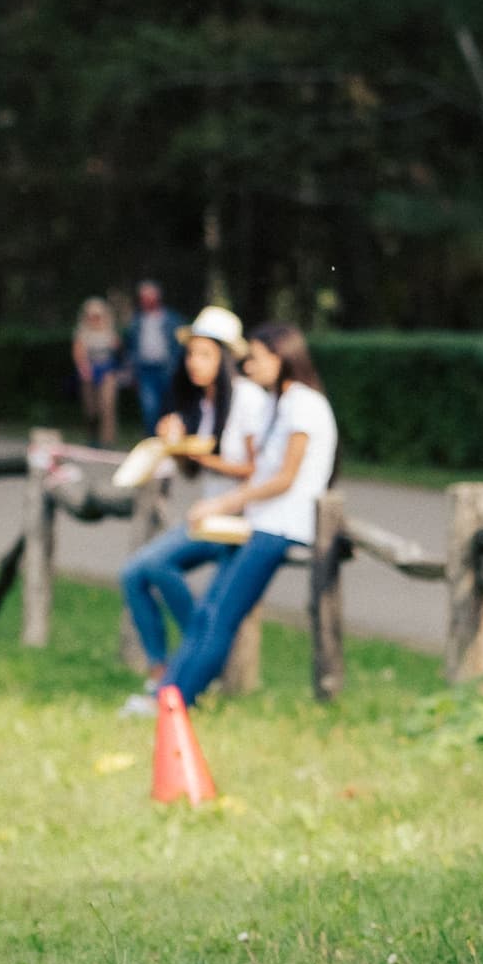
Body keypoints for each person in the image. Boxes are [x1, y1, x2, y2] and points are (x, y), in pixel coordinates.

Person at [159, 322, 334, 707]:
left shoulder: (303, 404)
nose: (248, 366)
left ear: (280, 356)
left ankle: (178, 700)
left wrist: (223, 503)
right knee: (208, 611)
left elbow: (285, 478)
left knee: (220, 614)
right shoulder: (281, 402)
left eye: (255, 358)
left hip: (280, 527)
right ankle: (166, 694)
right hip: (261, 523)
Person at [116, 304, 264, 711]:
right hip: (209, 515)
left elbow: (257, 470)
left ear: (225, 357)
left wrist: (201, 458)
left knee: (158, 566)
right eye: (191, 354)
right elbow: (193, 468)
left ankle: (198, 655)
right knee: (132, 573)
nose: (195, 363)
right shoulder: (203, 403)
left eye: (205, 354)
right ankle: (162, 669)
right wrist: (174, 444)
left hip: (238, 520)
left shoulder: (249, 400)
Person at [126, 280, 182, 432]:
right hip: (145, 370)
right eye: (143, 297)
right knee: (149, 408)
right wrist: (132, 371)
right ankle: (151, 441)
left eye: (149, 297)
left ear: (157, 298)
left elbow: (179, 345)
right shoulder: (136, 321)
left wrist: (177, 367)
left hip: (167, 368)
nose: (145, 301)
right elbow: (131, 348)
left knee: (170, 407)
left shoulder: (172, 319)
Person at [71, 294, 124, 445]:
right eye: (92, 316)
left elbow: (119, 351)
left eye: (98, 315)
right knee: (91, 408)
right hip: (89, 371)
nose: (95, 318)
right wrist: (84, 368)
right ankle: (92, 437)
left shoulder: (110, 331)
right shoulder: (82, 332)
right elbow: (78, 352)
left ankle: (107, 440)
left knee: (107, 407)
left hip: (108, 371)